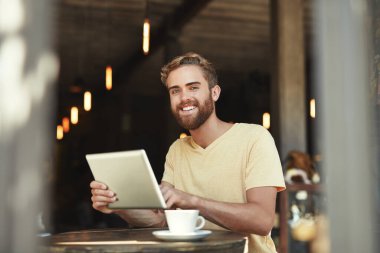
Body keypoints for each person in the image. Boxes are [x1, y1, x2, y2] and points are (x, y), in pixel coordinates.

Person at [90, 52, 286, 253]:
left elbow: (262, 220)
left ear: (215, 93)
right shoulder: (177, 150)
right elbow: (160, 220)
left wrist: (191, 201)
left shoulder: (255, 138)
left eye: (193, 87)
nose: (184, 98)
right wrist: (119, 204)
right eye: (175, 91)